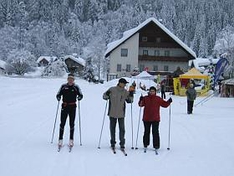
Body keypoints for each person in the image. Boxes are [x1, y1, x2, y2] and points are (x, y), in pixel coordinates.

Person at [103, 78, 134, 150]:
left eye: (125, 84)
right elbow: (104, 97)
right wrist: (107, 94)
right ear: (119, 83)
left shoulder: (125, 92)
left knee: (122, 129)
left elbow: (130, 101)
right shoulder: (112, 89)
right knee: (112, 129)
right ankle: (113, 143)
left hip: (121, 114)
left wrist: (131, 94)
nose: (124, 85)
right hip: (112, 112)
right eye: (123, 83)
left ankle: (122, 143)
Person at [56, 73, 83, 147]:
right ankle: (60, 139)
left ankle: (71, 140)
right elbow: (58, 94)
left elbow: (81, 94)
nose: (70, 80)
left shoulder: (76, 87)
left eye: (72, 79)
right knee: (62, 123)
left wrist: (80, 97)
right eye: (69, 78)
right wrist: (58, 97)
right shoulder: (63, 86)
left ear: (74, 80)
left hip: (72, 107)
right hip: (64, 106)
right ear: (67, 79)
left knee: (71, 123)